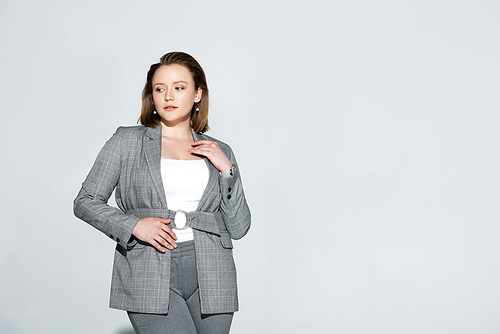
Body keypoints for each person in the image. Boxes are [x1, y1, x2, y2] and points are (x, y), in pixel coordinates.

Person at [73, 51, 251, 334]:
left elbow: (239, 227)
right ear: (151, 96)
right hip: (149, 265)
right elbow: (85, 202)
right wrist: (134, 226)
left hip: (213, 269)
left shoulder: (220, 150)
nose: (169, 96)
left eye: (179, 88)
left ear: (197, 94)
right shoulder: (126, 141)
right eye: (160, 89)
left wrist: (227, 171)